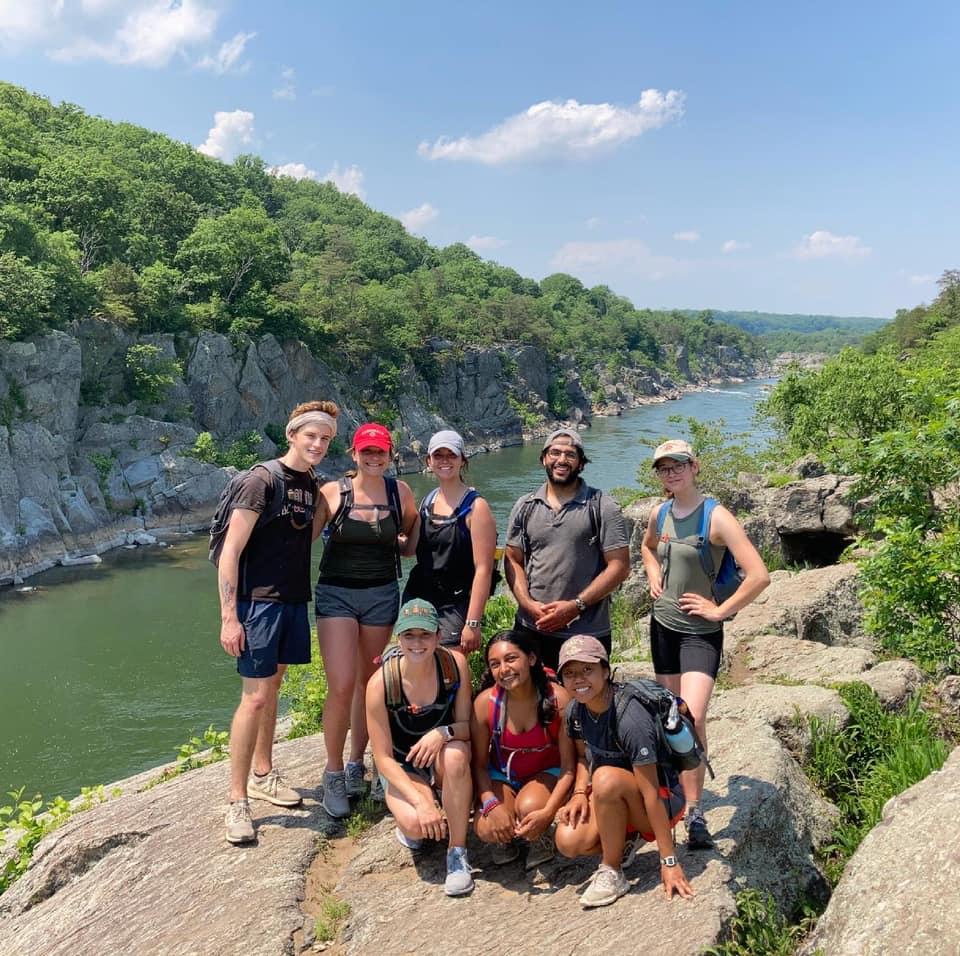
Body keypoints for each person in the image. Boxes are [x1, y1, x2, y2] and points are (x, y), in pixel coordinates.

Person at [640, 438, 770, 849]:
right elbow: (646, 548)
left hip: (699, 632)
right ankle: (674, 797)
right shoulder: (659, 513)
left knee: (689, 718)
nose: (671, 472)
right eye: (664, 467)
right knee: (668, 719)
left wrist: (719, 610)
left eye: (678, 464)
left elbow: (759, 575)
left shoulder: (715, 517)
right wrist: (652, 574)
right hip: (663, 627)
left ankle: (695, 812)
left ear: (694, 466)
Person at [218, 401, 337, 845]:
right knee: (253, 698)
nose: (319, 444)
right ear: (292, 435)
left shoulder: (311, 483)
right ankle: (236, 801)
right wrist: (230, 617)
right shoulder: (260, 480)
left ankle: (262, 774)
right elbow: (230, 553)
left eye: (326, 439)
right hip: (257, 604)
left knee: (273, 690)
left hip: (291, 600)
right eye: (312, 436)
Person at [315, 423, 417, 818]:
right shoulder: (332, 492)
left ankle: (358, 762)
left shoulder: (399, 492)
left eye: (380, 452)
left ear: (390, 455)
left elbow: (409, 541)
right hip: (336, 593)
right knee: (341, 684)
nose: (374, 458)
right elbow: (303, 538)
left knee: (367, 681)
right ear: (354, 455)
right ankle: (334, 772)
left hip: (381, 593)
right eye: (366, 452)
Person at [554, 635, 694, 908]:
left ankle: (612, 869)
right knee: (568, 841)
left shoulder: (630, 717)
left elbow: (651, 792)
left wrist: (668, 861)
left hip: (662, 801)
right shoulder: (575, 711)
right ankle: (624, 839)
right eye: (569, 673)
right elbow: (583, 756)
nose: (579, 679)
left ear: (606, 671)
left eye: (587, 670)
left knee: (605, 778)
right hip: (616, 796)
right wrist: (580, 793)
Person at [366, 598, 476, 896]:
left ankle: (457, 852)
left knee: (455, 754)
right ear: (398, 638)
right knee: (417, 825)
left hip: (442, 756)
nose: (417, 643)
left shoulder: (454, 665)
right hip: (403, 765)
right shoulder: (380, 684)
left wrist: (442, 732)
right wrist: (420, 802)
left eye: (425, 634)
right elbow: (383, 757)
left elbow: (467, 730)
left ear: (439, 636)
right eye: (409, 635)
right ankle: (426, 805)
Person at [504, 428, 631, 672]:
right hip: (531, 627)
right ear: (543, 458)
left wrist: (576, 606)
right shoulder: (525, 506)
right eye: (555, 453)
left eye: (570, 455)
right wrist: (527, 604)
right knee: (532, 702)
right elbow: (513, 558)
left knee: (583, 702)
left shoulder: (603, 506)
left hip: (586, 632)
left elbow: (620, 566)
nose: (561, 460)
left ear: (581, 463)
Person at [471, 630, 576, 869]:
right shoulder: (486, 704)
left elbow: (570, 766)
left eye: (511, 659)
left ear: (531, 658)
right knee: (486, 827)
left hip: (549, 772)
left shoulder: (558, 699)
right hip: (503, 775)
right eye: (495, 664)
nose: (504, 669)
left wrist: (549, 812)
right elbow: (478, 765)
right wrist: (490, 804)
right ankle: (506, 839)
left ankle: (540, 836)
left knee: (530, 807)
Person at [402, 429, 497, 658]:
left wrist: (472, 622)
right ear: (429, 461)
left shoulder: (476, 507)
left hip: (456, 600)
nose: (444, 461)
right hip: (420, 596)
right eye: (438, 455)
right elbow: (409, 549)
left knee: (450, 667)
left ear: (463, 460)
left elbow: (484, 568)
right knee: (417, 663)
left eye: (451, 455)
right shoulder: (427, 502)